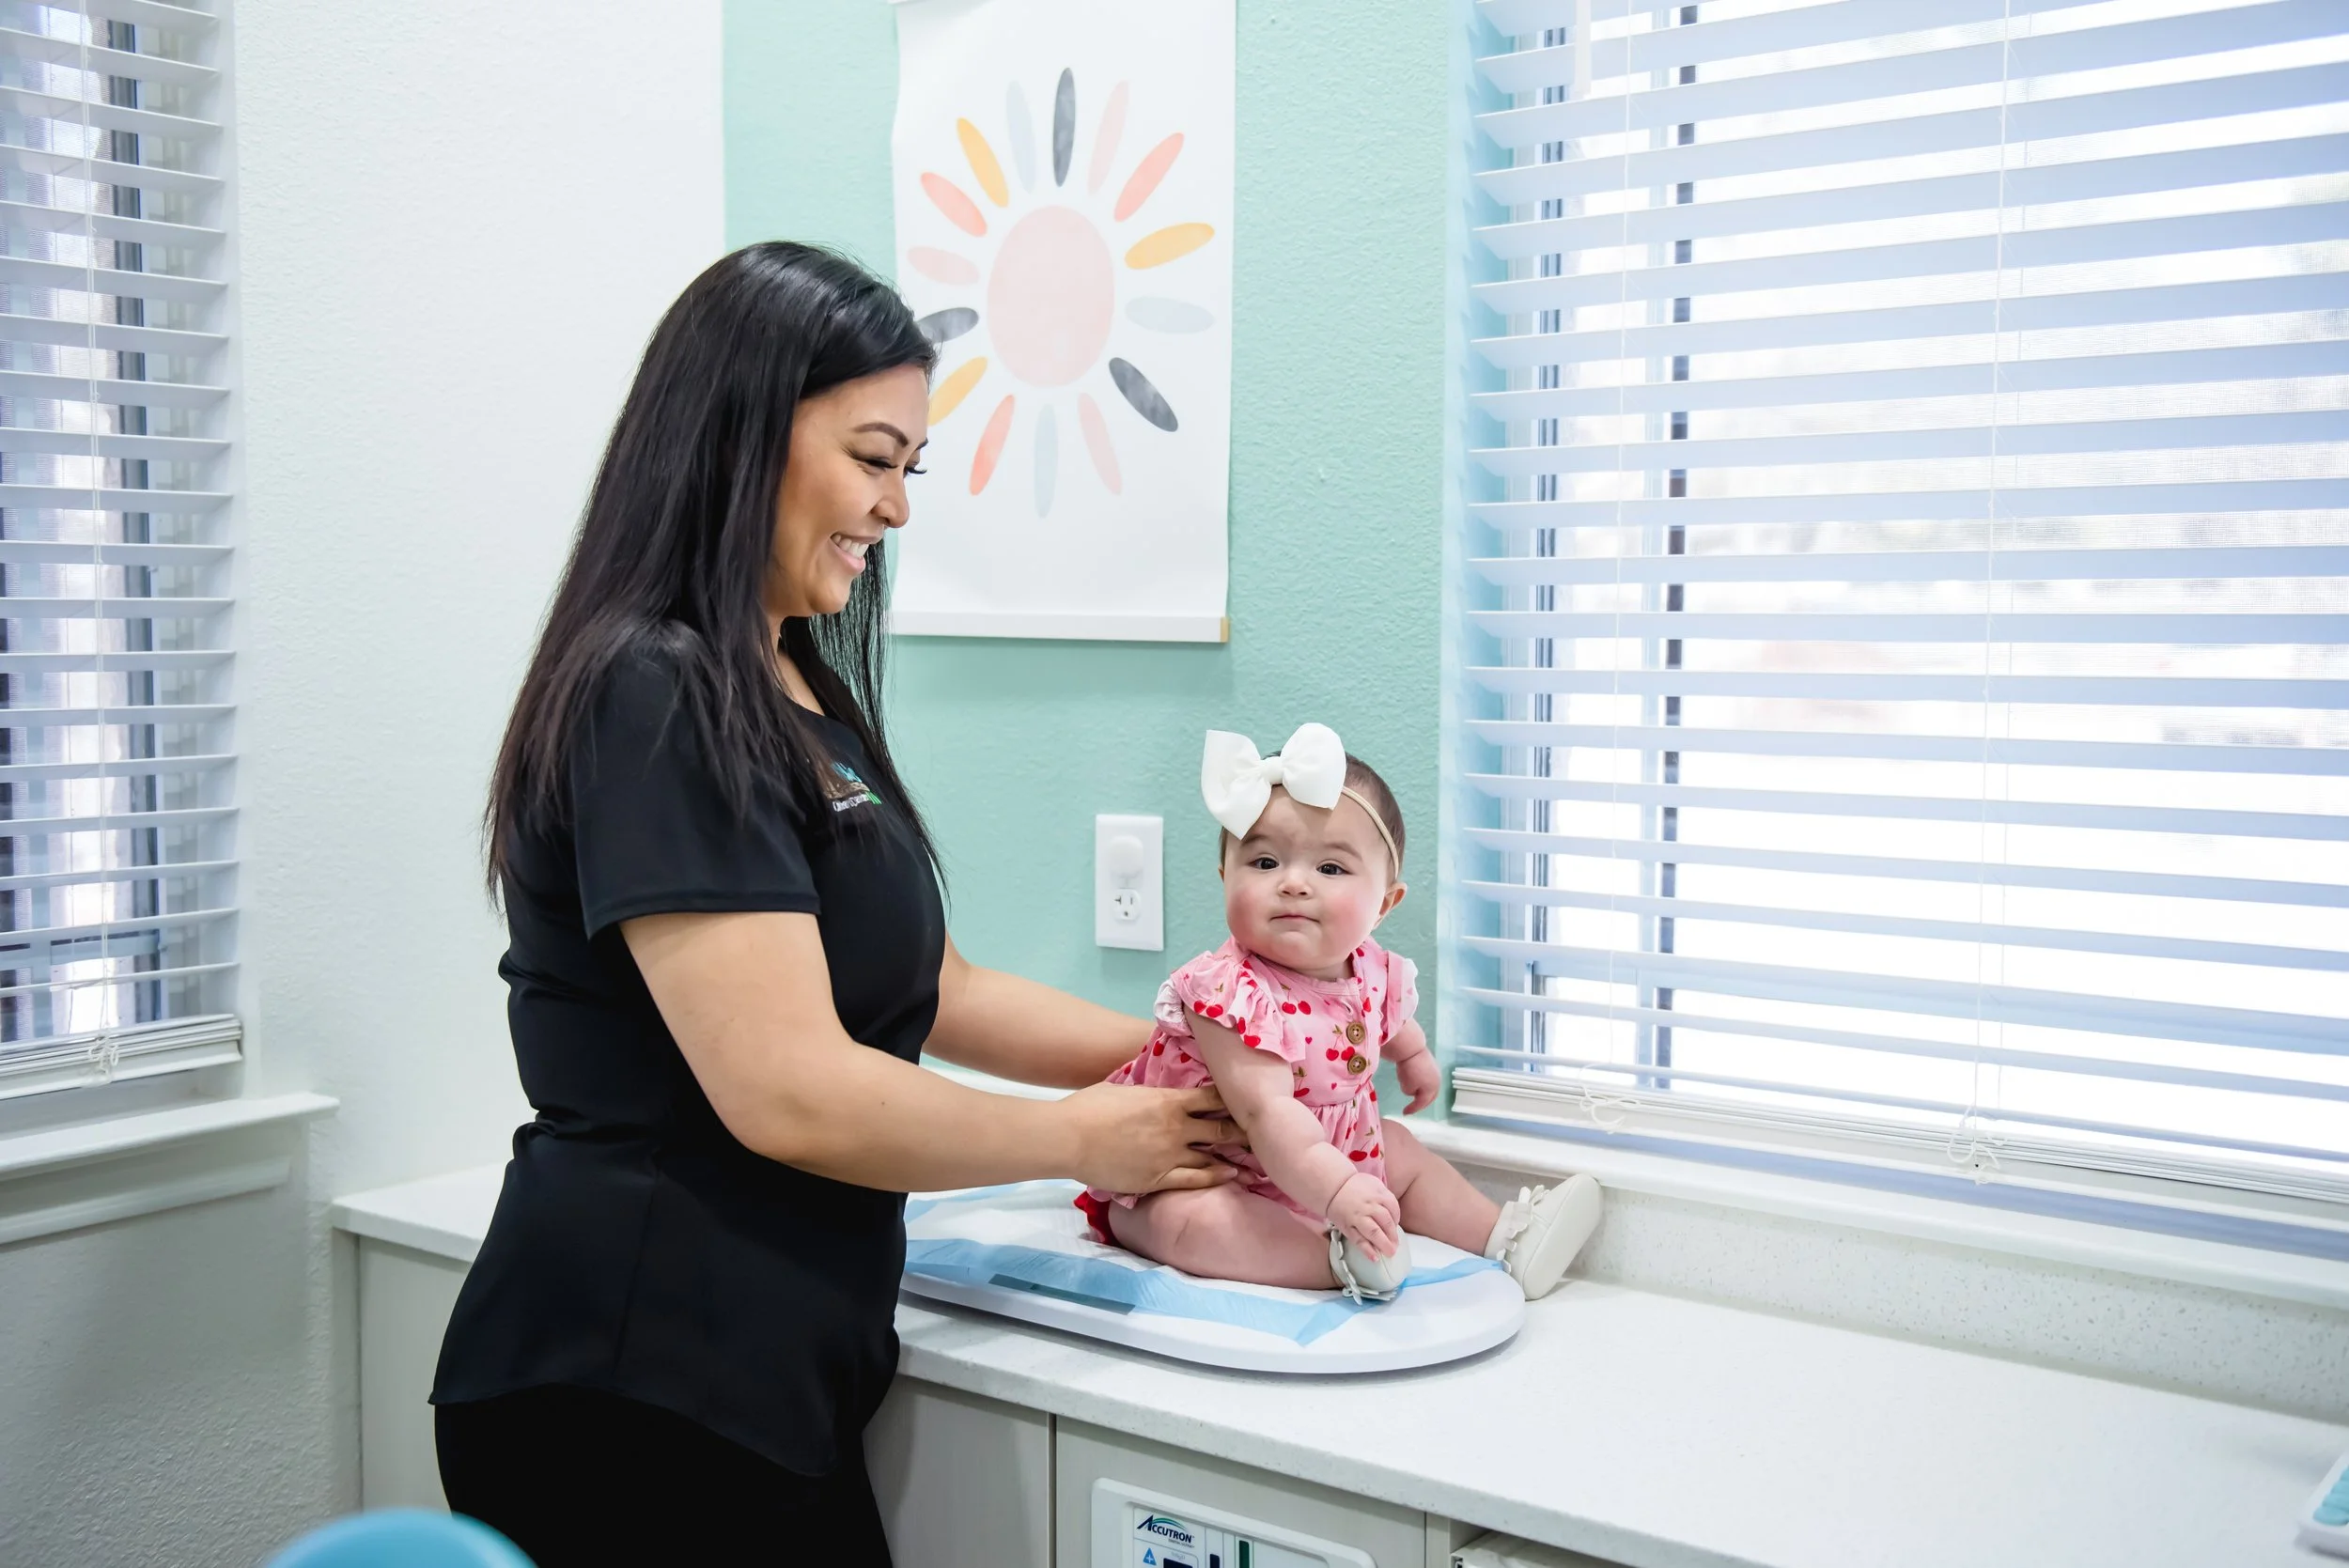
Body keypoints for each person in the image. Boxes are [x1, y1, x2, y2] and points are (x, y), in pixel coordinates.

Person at [431, 242, 1242, 1565]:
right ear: (745, 430)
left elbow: (943, 990)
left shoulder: (789, 681)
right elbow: (790, 1087)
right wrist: (1090, 1141)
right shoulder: (654, 690)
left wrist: (1198, 1050)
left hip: (765, 1371)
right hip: (633, 1380)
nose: (899, 510)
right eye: (875, 459)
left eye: (908, 469)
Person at [1080, 722, 1601, 1302]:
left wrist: (1414, 1058)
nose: (1294, 883)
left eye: (1330, 869)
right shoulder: (1227, 993)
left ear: (1384, 903)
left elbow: (1391, 1021)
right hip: (1213, 1171)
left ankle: (1505, 1238)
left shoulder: (1370, 968)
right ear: (1226, 877)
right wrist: (1337, 1193)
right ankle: (1338, 1260)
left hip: (1327, 1160)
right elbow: (1268, 1115)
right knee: (1189, 1223)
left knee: (1400, 1147)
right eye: (1265, 862)